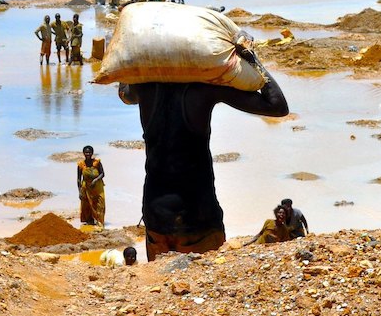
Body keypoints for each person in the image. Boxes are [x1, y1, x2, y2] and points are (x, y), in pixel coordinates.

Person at [118, 47, 289, 261]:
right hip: (198, 217)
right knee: (202, 288)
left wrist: (128, 58)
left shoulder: (143, 88)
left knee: (161, 287)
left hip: (155, 216)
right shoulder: (204, 89)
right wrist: (252, 60)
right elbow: (277, 106)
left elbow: (123, 92)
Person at [77, 145, 106, 227]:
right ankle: (90, 221)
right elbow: (78, 179)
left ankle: (100, 221)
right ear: (83, 153)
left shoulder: (97, 162)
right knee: (87, 204)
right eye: (86, 152)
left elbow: (102, 173)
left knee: (100, 204)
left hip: (97, 187)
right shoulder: (81, 165)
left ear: (92, 153)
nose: (88, 154)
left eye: (89, 152)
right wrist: (79, 191)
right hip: (86, 187)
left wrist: (95, 180)